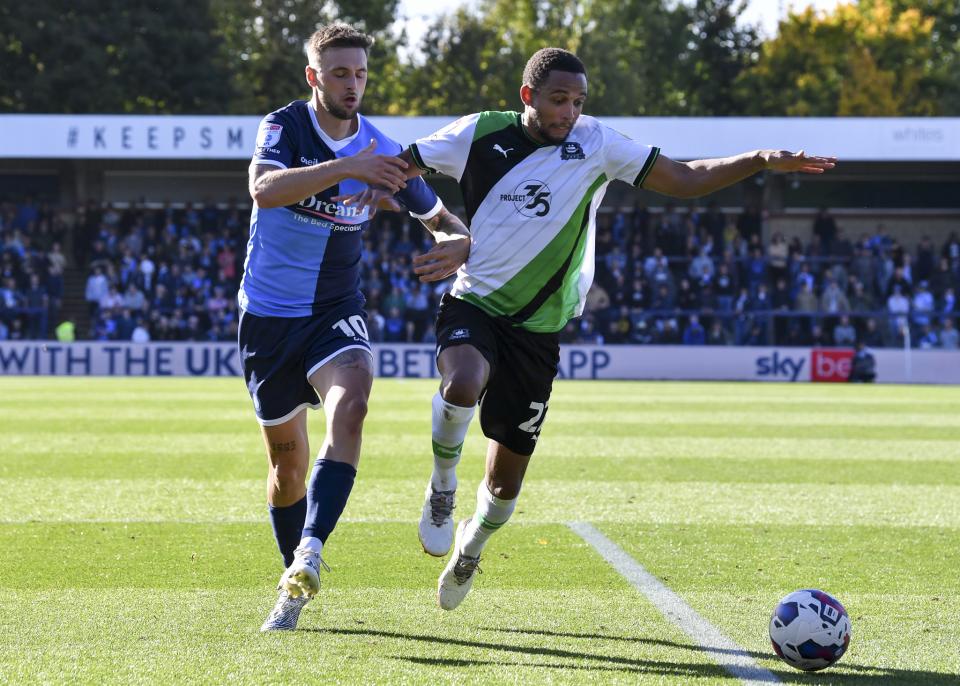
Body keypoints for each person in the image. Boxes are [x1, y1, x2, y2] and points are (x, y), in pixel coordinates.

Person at [343, 47, 835, 611]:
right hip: (474, 302)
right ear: (528, 96)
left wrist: (759, 159)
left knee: (504, 487)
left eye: (578, 101)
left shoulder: (597, 142)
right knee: (461, 384)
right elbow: (402, 165)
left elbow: (682, 177)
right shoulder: (479, 133)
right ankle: (441, 487)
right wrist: (387, 195)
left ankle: (471, 546)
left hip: (539, 329)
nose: (569, 112)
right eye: (558, 100)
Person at [239, 23, 470, 631]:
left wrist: (459, 243)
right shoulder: (285, 126)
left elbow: (441, 218)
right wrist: (351, 168)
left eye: (360, 74)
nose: (352, 84)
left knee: (353, 403)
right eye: (339, 73)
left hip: (334, 310)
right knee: (287, 469)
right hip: (267, 317)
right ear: (314, 77)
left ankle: (312, 550)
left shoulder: (383, 150)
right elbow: (263, 189)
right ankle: (292, 578)